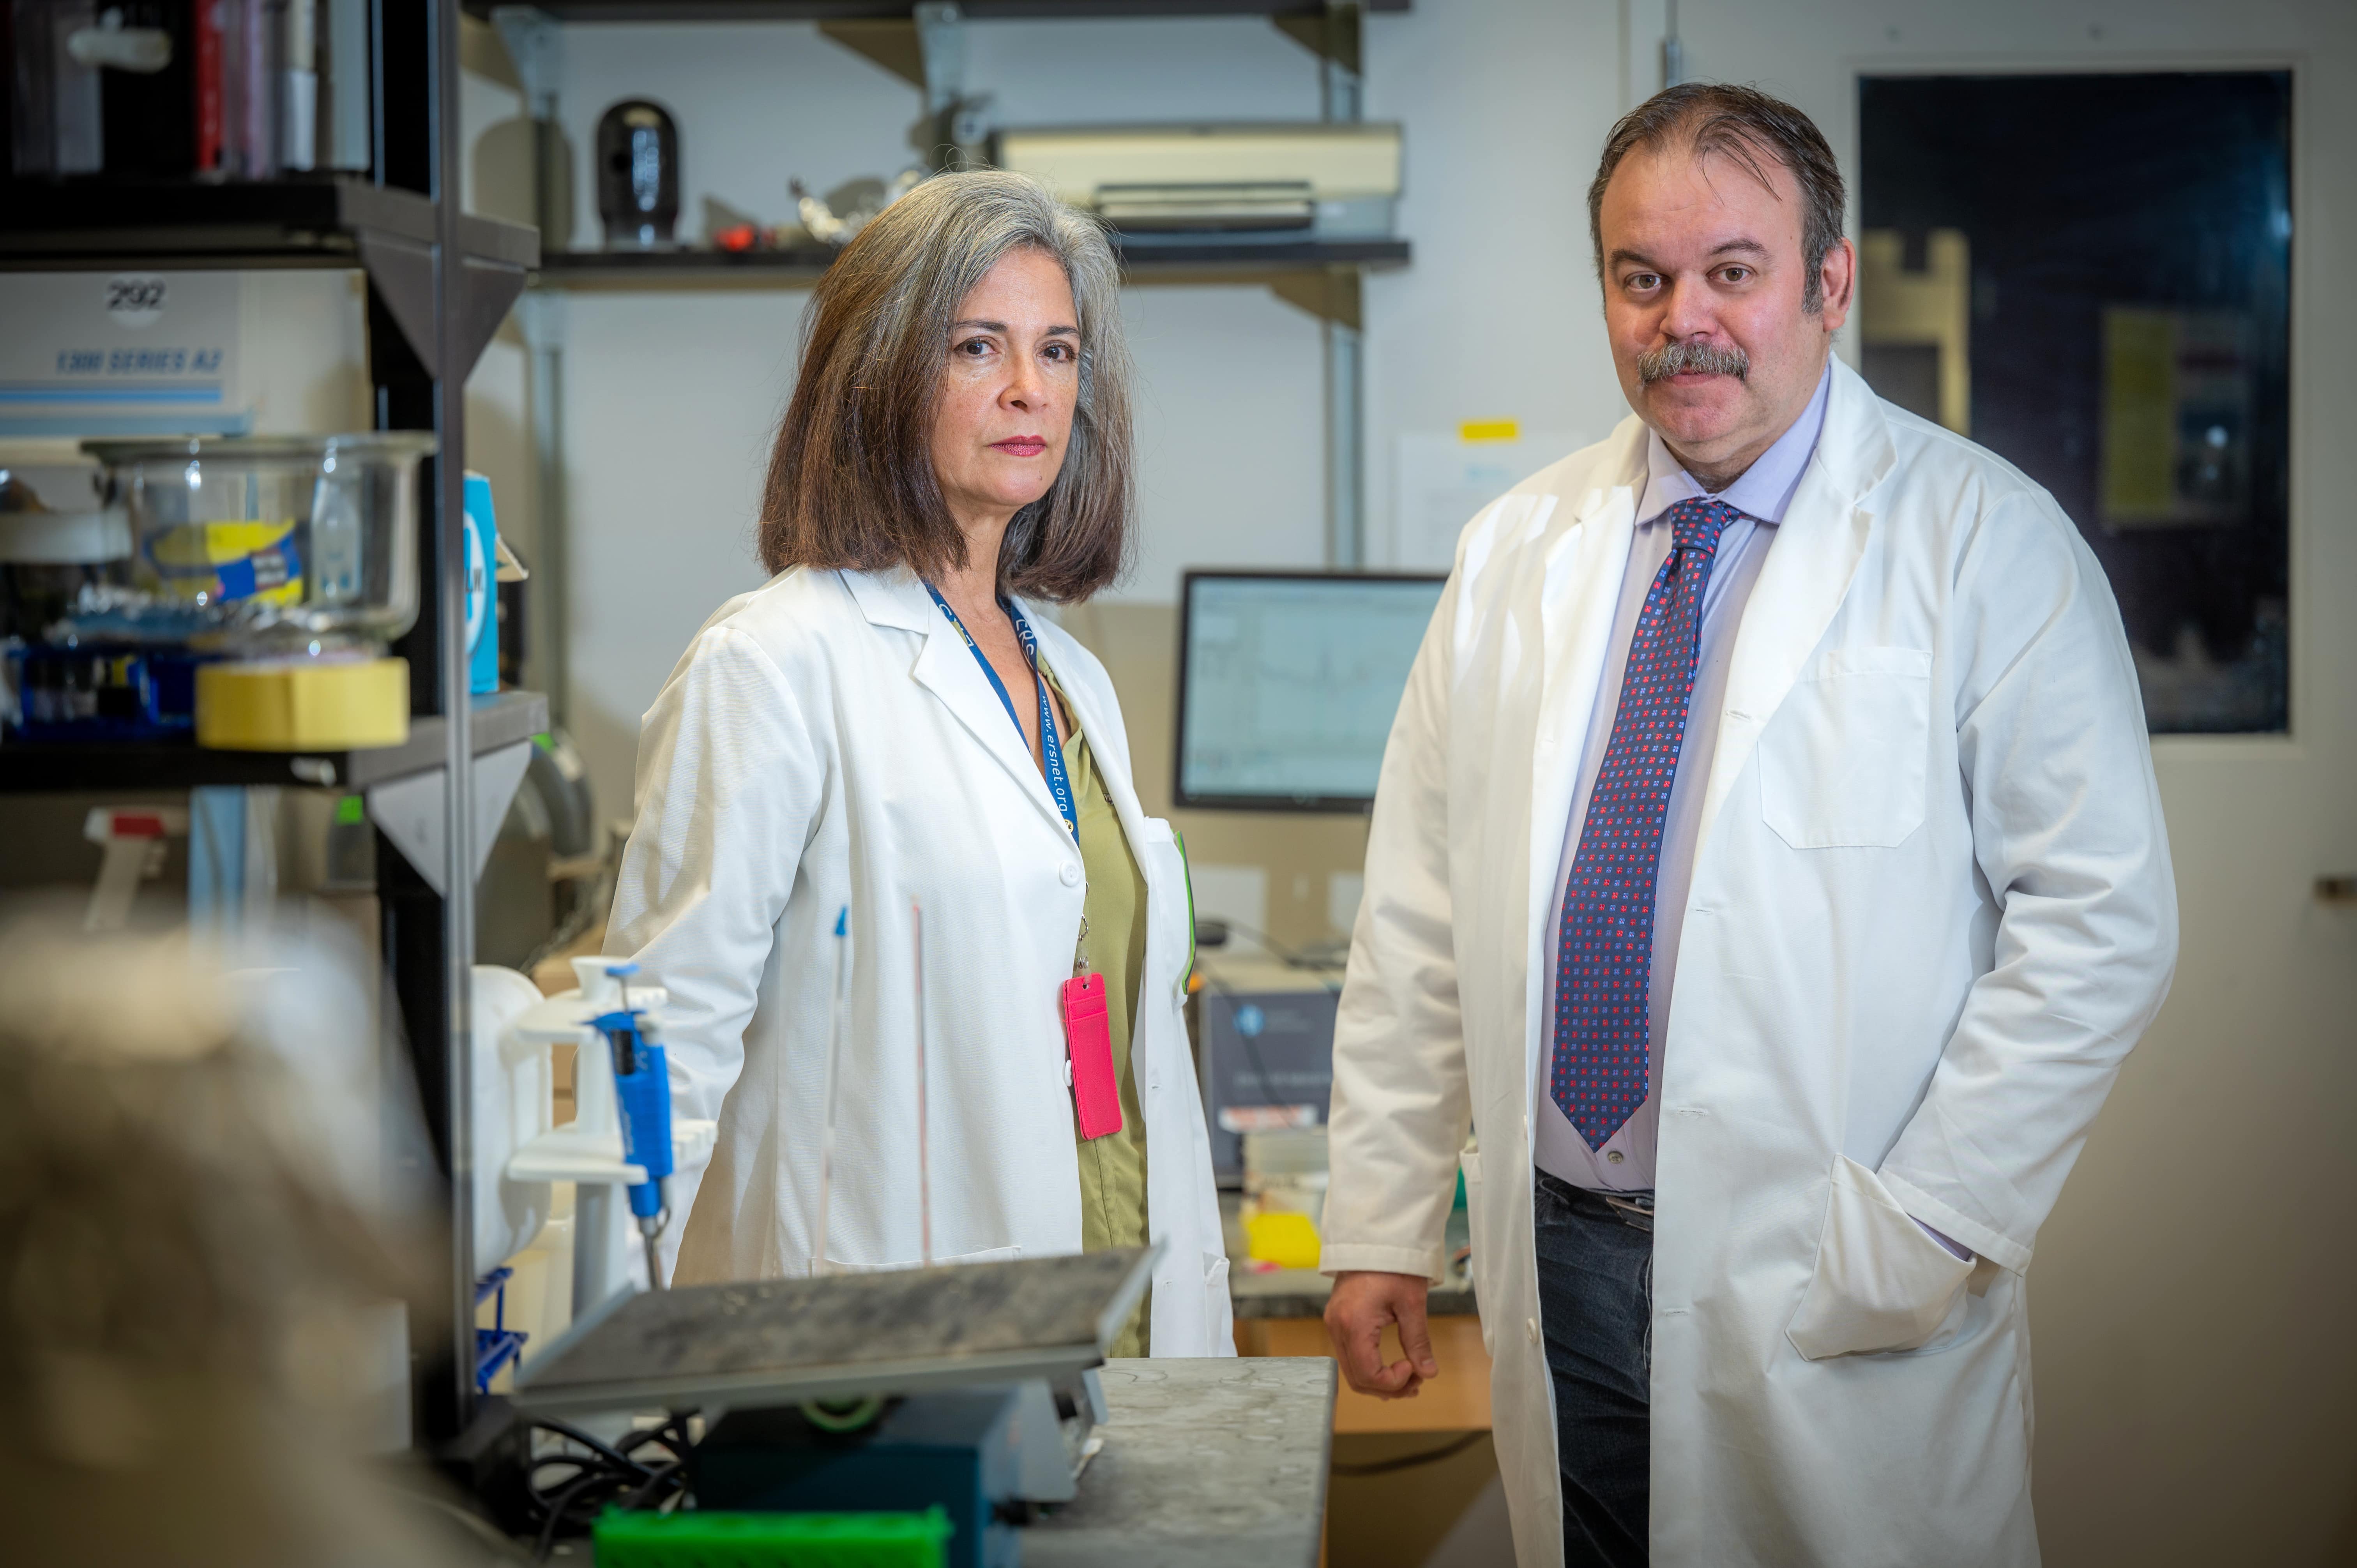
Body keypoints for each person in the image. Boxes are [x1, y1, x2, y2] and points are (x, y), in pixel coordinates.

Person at [1318, 83, 2177, 1566]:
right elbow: (1418, 919)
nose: (1682, 321)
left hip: (1827, 1267)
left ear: (1828, 284)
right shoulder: (1516, 551)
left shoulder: (1985, 543)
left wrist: (1928, 1225)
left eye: (1733, 272)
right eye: (1641, 278)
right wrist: (1385, 1224)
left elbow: (2105, 922)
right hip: (1559, 1255)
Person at [605, 170, 1233, 1357]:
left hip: (1124, 1292)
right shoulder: (775, 663)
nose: (1026, 390)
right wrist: (622, 1364)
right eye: (977, 347)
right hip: (877, 1333)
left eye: (1057, 353)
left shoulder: (1070, 677)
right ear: (885, 373)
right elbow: (666, 1039)